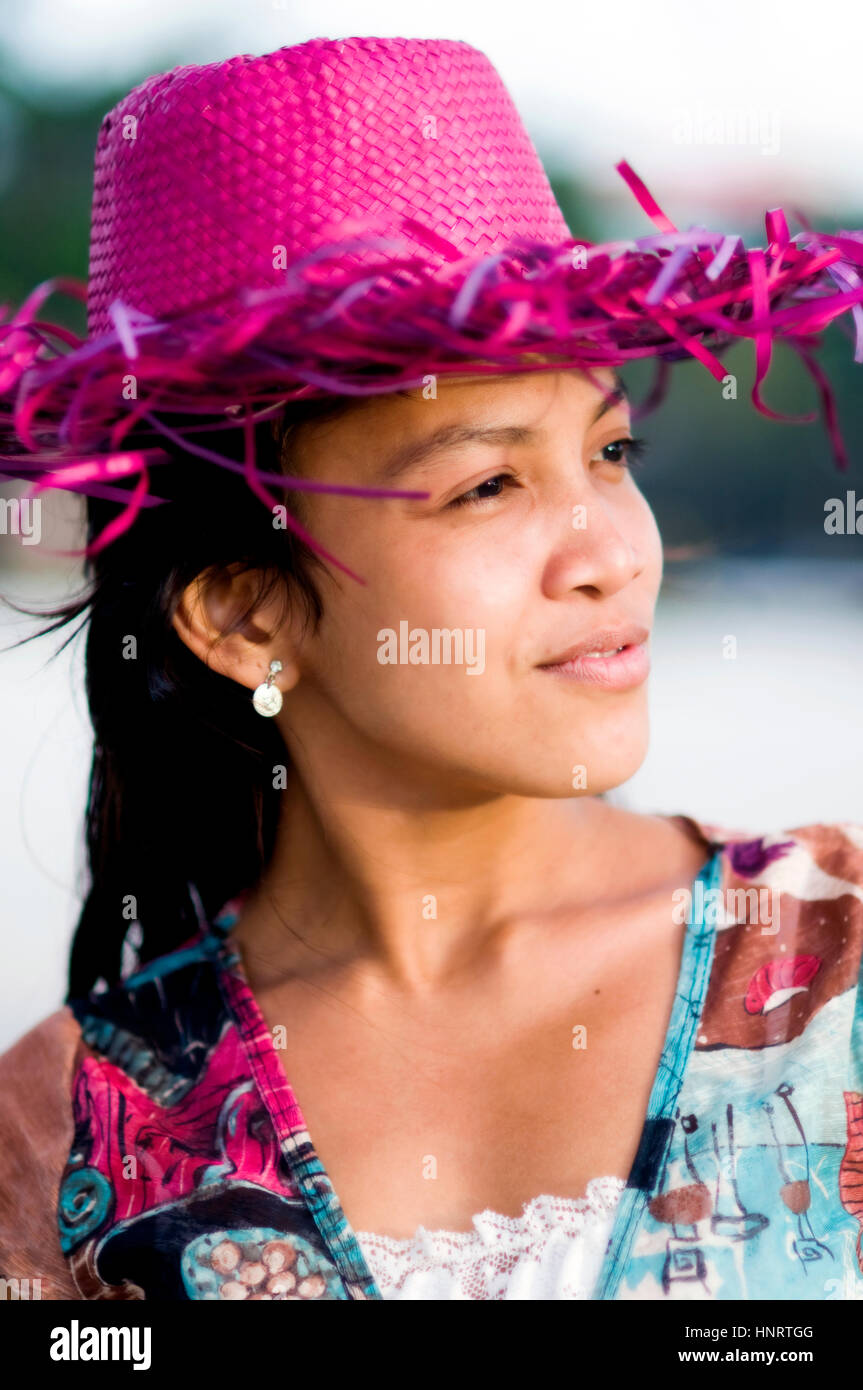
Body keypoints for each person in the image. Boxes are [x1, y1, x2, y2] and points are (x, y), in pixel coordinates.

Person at [1, 35, 862, 1303]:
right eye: (489, 482)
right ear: (242, 614)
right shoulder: (57, 1130)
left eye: (610, 452)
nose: (610, 555)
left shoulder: (831, 965)